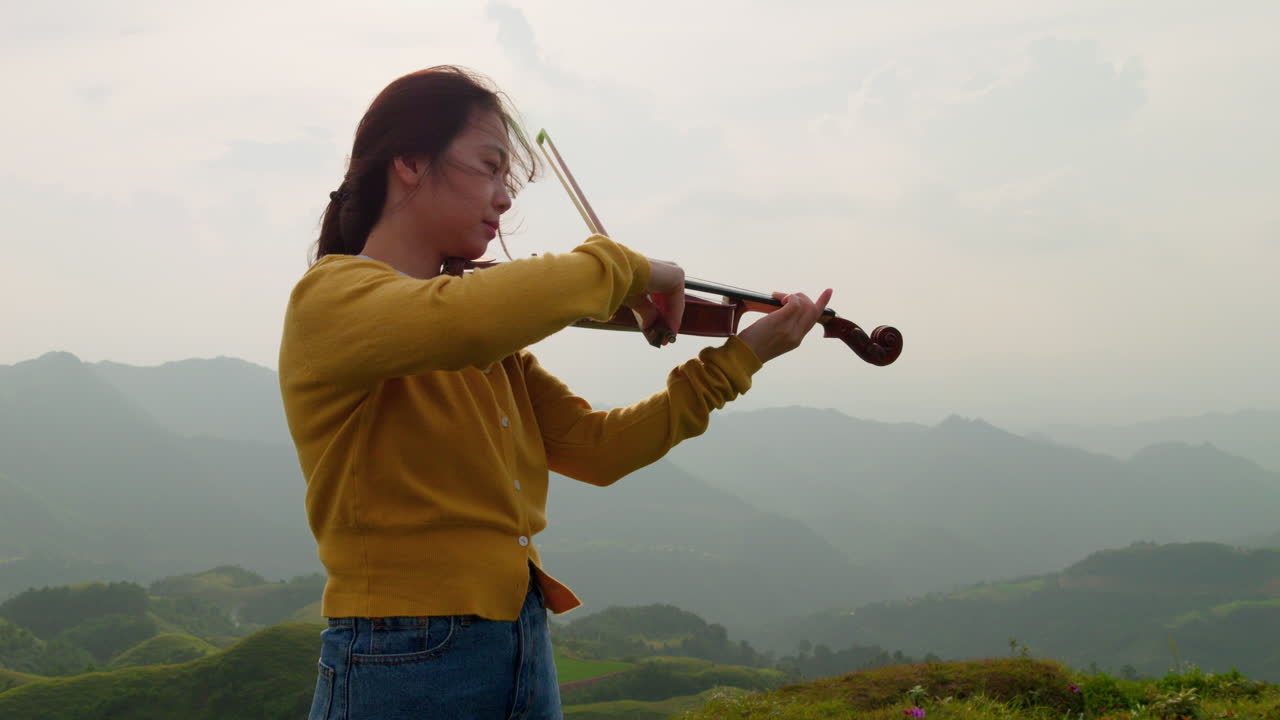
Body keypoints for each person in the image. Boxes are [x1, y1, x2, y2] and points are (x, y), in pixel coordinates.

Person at [278, 66, 832, 720]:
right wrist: (636, 267)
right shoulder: (333, 300)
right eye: (490, 168)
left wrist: (738, 359)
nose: (504, 199)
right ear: (409, 162)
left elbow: (598, 450)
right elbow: (471, 319)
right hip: (403, 649)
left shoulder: (485, 342)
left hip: (518, 635)